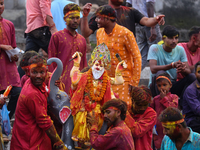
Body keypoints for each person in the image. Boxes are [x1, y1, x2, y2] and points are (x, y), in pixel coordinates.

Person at [69, 43, 127, 147]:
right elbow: (74, 79)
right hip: (83, 108)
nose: (98, 67)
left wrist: (119, 70)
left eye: (101, 65)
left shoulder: (106, 79)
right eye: (96, 64)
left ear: (105, 67)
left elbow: (119, 81)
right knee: (81, 117)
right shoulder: (84, 76)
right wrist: (76, 64)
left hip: (99, 109)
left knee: (99, 119)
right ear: (92, 64)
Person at [10, 55, 67, 150]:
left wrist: (54, 82)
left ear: (46, 72)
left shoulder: (35, 83)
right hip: (29, 142)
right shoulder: (32, 93)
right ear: (29, 72)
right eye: (34, 72)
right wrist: (59, 143)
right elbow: (45, 123)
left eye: (41, 72)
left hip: (32, 136)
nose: (38, 76)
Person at [93, 5, 141, 107]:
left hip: (123, 81)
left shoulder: (126, 33)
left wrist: (134, 82)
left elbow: (137, 57)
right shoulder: (99, 33)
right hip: (105, 80)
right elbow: (98, 56)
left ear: (107, 19)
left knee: (123, 112)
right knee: (106, 112)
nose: (96, 20)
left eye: (98, 18)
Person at [147, 25, 196, 102]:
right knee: (161, 73)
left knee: (192, 77)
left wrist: (183, 69)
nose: (174, 41)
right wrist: (172, 65)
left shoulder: (180, 50)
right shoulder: (154, 48)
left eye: (176, 38)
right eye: (170, 38)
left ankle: (181, 105)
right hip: (156, 86)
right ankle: (159, 103)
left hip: (172, 85)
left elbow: (188, 71)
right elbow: (153, 69)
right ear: (163, 38)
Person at [48, 3, 87, 94]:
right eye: (72, 18)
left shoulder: (82, 40)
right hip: (60, 84)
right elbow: (51, 61)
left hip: (78, 84)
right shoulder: (57, 37)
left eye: (77, 18)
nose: (75, 20)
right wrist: (52, 81)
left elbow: (84, 63)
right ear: (65, 19)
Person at [17, 0, 58, 78]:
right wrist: (53, 27)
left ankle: (17, 84)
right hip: (41, 28)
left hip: (32, 28)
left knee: (27, 59)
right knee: (58, 55)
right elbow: (44, 7)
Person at [81, 1, 165, 38]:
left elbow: (146, 21)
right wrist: (85, 16)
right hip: (108, 55)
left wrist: (156, 19)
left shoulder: (130, 11)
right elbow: (86, 33)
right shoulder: (101, 12)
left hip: (127, 54)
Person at [0, 0, 21, 119]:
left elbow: (13, 46)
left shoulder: (9, 24)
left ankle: (6, 118)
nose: (0, 6)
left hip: (9, 66)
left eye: (1, 3)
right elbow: (6, 46)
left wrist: (14, 55)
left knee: (17, 91)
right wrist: (2, 46)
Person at [126, 0, 162, 69]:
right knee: (158, 50)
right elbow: (149, 4)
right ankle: (159, 76)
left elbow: (128, 6)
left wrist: (130, 24)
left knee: (142, 54)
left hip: (138, 24)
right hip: (148, 22)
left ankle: (134, 75)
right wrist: (153, 27)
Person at [150, 72, 178, 149]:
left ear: (170, 85)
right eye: (159, 85)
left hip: (170, 128)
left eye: (164, 85)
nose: (162, 87)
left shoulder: (174, 97)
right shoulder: (155, 99)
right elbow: (152, 113)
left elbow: (173, 109)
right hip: (158, 130)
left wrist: (164, 99)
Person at [125, 85, 157, 150]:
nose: (142, 108)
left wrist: (124, 113)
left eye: (145, 105)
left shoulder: (151, 113)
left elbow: (137, 131)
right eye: (139, 105)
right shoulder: (126, 110)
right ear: (132, 101)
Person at [182, 61, 200, 134]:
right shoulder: (191, 90)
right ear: (195, 74)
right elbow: (198, 110)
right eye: (199, 72)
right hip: (193, 120)